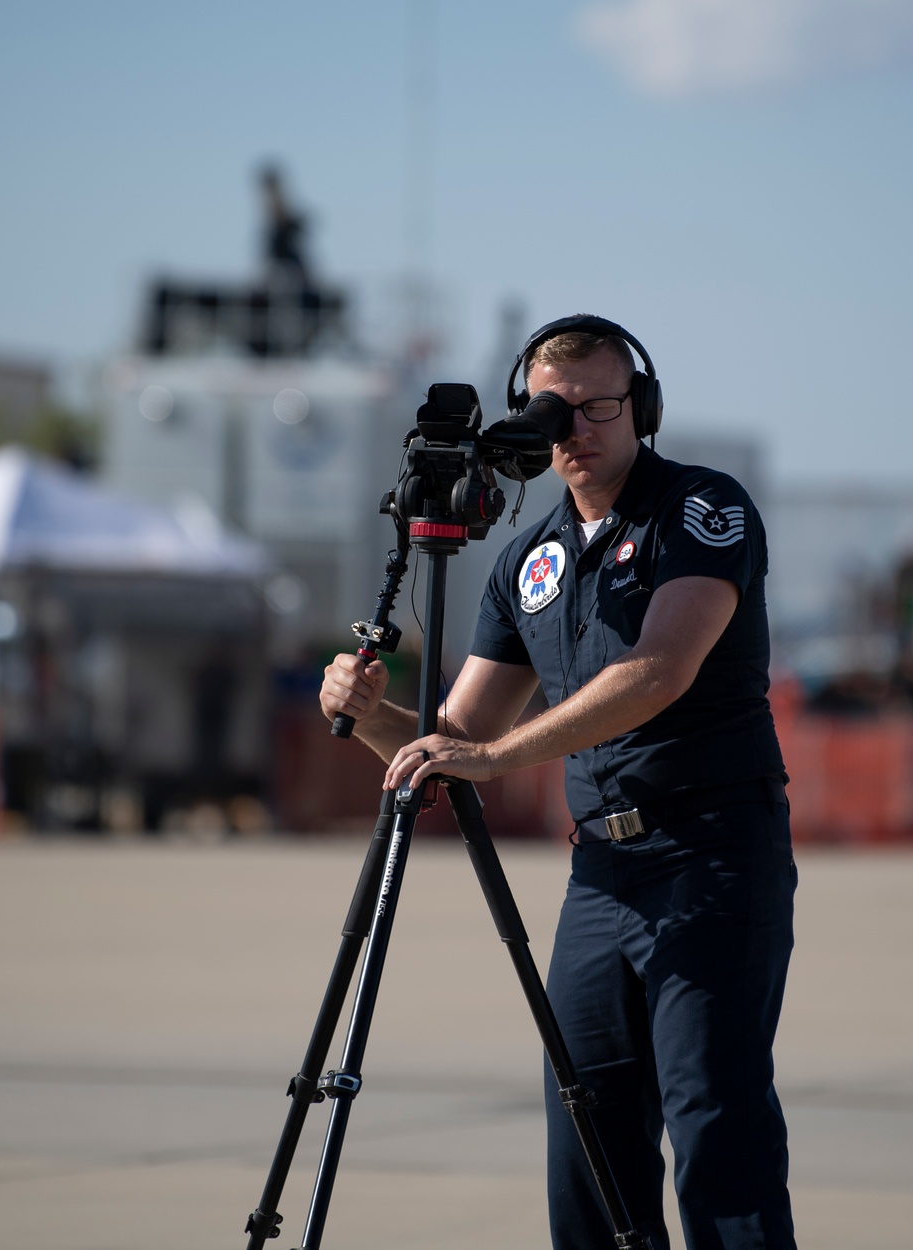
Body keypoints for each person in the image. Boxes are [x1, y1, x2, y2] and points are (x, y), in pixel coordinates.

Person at [319, 315, 797, 1250]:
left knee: (716, 1127)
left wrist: (492, 762)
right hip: (600, 879)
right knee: (587, 1138)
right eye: (552, 410)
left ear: (641, 410)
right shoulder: (528, 561)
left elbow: (659, 670)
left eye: (597, 406)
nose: (575, 429)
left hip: (712, 856)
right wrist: (368, 711)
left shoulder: (703, 508)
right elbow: (454, 741)